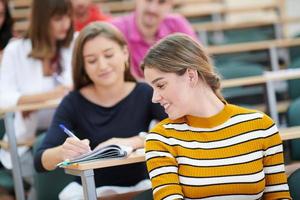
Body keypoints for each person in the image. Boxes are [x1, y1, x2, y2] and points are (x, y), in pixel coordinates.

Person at [142, 33, 292, 200]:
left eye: (161, 85)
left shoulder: (262, 126)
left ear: (191, 76)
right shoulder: (160, 139)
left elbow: (279, 196)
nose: (154, 98)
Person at [34, 22, 166, 199]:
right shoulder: (73, 102)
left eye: (109, 55)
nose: (102, 66)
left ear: (125, 53)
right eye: (92, 60)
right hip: (91, 192)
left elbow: (178, 130)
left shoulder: (146, 93)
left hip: (143, 189)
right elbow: (40, 160)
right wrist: (62, 152)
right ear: (84, 66)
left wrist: (134, 141)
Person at [0, 0, 74, 170]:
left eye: (68, 17)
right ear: (42, 20)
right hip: (26, 141)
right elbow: (3, 98)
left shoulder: (73, 44)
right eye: (58, 18)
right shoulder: (15, 50)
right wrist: (51, 95)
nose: (66, 24)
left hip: (69, 136)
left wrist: (28, 101)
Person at [112, 0, 197, 80]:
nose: (152, 9)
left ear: (170, 4)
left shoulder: (178, 24)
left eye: (161, 2)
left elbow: (197, 66)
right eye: (148, 0)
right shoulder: (115, 29)